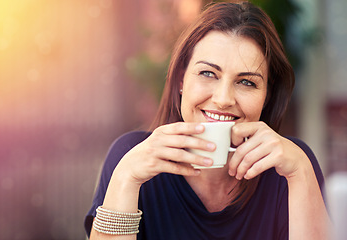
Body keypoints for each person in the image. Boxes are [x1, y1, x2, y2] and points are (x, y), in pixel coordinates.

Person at [85, 1, 330, 239]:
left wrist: (300, 172)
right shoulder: (130, 155)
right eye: (208, 73)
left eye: (247, 82)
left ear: (266, 95)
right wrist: (126, 177)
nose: (223, 99)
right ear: (181, 80)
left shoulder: (291, 167)